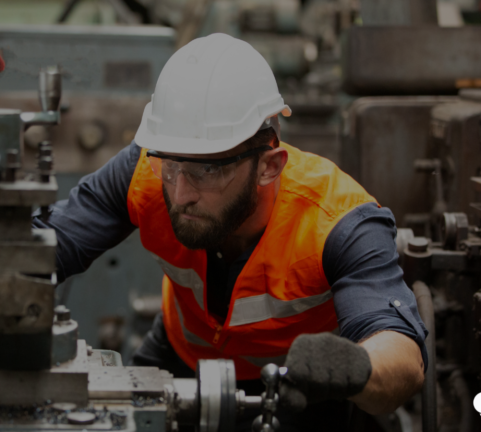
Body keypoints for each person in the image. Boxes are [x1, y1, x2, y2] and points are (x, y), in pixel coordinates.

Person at [34, 33, 427, 431]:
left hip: (299, 382)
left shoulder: (337, 222)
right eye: (170, 167)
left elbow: (403, 360)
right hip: (181, 355)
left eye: (209, 170)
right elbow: (45, 246)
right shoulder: (145, 174)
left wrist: (353, 367)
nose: (182, 194)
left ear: (269, 165)